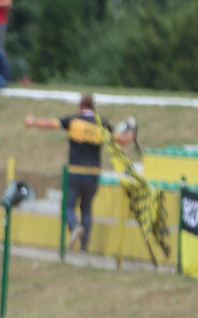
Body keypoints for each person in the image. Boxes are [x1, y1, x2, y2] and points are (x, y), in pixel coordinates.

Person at [25, 94, 135, 252]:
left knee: (67, 206)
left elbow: (50, 124)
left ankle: (74, 227)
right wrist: (132, 134)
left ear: (80, 106)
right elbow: (121, 140)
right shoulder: (102, 124)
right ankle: (84, 247)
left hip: (75, 172)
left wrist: (32, 121)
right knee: (87, 208)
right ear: (93, 107)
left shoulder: (73, 121)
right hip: (93, 175)